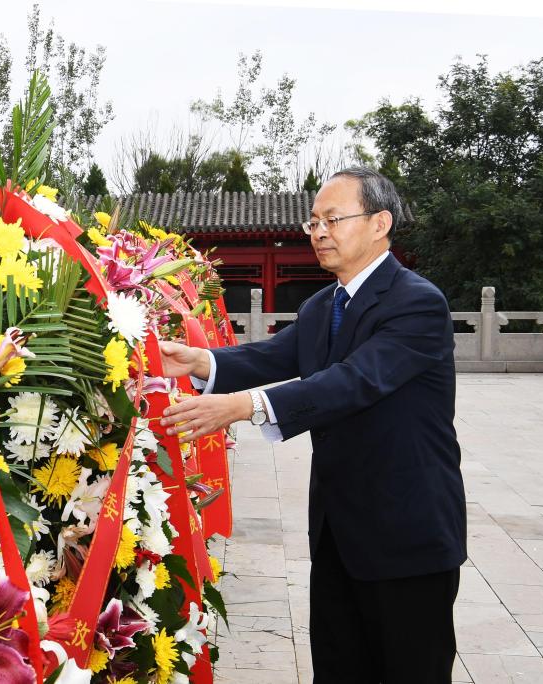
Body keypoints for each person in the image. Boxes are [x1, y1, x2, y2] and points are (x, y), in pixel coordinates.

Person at [158, 167, 466, 683]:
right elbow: (273, 355)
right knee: (338, 666)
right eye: (314, 222)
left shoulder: (418, 303)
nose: (319, 232)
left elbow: (353, 381)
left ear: (380, 223)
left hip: (406, 530)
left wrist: (241, 407)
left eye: (333, 219)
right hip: (338, 530)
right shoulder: (324, 305)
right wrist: (198, 361)